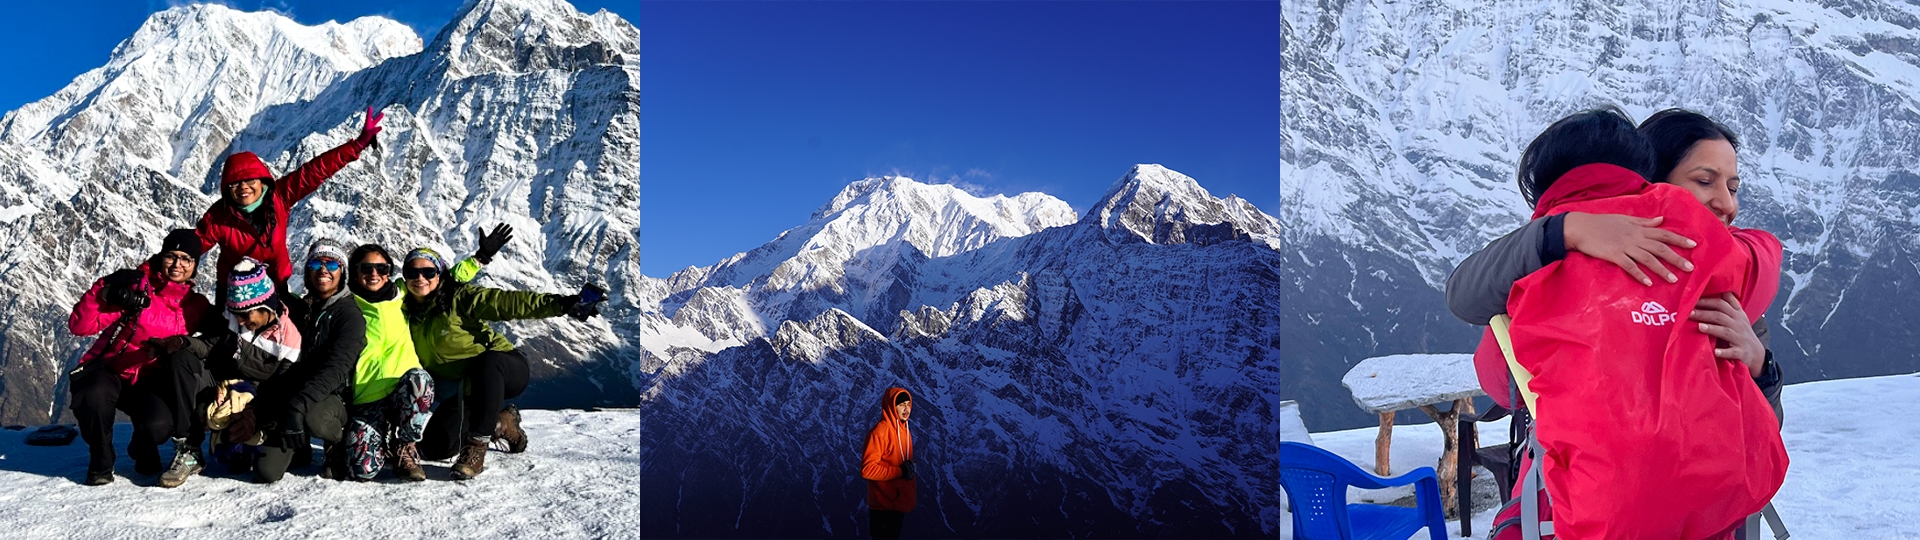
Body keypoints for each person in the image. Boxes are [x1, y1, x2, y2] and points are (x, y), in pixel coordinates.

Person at [1456, 107, 1784, 538]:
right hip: (1693, 513)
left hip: (1582, 512)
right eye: (1703, 182)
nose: (1727, 204)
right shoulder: (1721, 269)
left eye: (1734, 186)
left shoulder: (1541, 280)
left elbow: (1499, 379)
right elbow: (1464, 292)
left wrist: (1762, 366)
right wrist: (1568, 229)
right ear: (1650, 180)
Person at [401, 224, 605, 480]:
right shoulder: (403, 309)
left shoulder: (458, 297)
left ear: (439, 275)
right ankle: (501, 423)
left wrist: (564, 304)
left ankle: (477, 447)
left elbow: (509, 303)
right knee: (435, 447)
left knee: (488, 362)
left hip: (505, 369)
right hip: (464, 391)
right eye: (413, 272)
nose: (420, 278)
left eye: (428, 271)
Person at [66, 229, 214, 487]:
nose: (177, 264)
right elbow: (80, 326)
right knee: (94, 394)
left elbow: (218, 334)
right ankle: (100, 458)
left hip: (149, 381)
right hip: (108, 370)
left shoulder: (196, 305)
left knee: (158, 426)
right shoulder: (138, 288)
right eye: (171, 256)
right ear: (161, 257)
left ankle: (143, 444)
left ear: (195, 266)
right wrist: (104, 288)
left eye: (186, 259)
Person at [196, 106, 383, 294]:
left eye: (250, 180)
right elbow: (192, 247)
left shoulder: (279, 197)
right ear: (227, 189)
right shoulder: (219, 216)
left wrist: (356, 146)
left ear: (262, 182)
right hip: (234, 295)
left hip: (275, 287)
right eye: (235, 183)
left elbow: (315, 171)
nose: (244, 187)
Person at [339, 243, 476, 481]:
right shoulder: (346, 303)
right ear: (355, 271)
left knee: (420, 380)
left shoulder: (400, 292)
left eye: (381, 268)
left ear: (389, 271)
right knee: (363, 471)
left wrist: (478, 259)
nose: (374, 274)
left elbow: (445, 279)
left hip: (403, 388)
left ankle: (405, 445)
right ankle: (381, 434)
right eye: (367, 268)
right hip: (367, 395)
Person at [249, 239, 365, 482]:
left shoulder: (349, 315)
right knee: (266, 471)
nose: (323, 269)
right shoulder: (299, 308)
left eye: (332, 264)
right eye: (316, 262)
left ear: (342, 272)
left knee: (316, 419)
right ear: (307, 270)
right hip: (294, 392)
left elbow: (336, 369)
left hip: (332, 395)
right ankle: (299, 445)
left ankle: (337, 440)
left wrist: (296, 405)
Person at [185, 258, 305, 477]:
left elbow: (283, 389)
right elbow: (210, 347)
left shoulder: (290, 339)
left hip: (266, 404)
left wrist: (254, 414)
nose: (239, 321)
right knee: (228, 460)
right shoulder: (231, 318)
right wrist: (183, 343)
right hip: (232, 394)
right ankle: (220, 442)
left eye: (246, 315)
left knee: (267, 472)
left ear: (266, 307)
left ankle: (288, 447)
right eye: (236, 314)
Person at [859, 388, 917, 540]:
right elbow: (868, 470)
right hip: (883, 506)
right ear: (892, 406)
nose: (906, 409)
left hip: (898, 503)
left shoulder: (904, 431)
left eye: (908, 404)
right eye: (901, 405)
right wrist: (900, 471)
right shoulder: (879, 433)